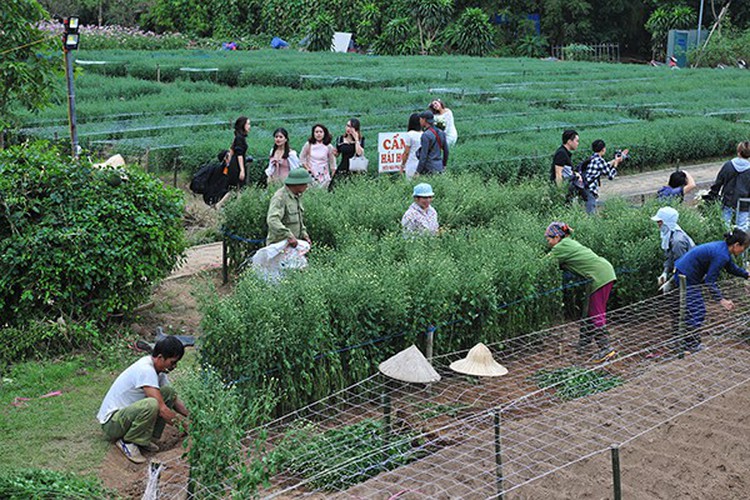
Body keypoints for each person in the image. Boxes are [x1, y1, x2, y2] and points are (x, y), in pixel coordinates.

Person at [96, 337, 189, 464]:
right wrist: (186, 426)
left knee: (168, 393)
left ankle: (145, 439)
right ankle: (127, 442)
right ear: (161, 357)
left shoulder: (159, 371)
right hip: (112, 422)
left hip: (126, 415)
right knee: (152, 404)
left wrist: (193, 417)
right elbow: (162, 410)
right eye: (172, 362)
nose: (174, 366)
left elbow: (174, 399)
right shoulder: (146, 369)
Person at [545, 222, 617, 363]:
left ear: (557, 237)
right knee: (591, 310)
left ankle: (606, 349)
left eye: (549, 239)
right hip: (604, 272)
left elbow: (543, 264)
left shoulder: (561, 247)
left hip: (599, 276)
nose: (548, 243)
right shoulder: (569, 242)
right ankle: (584, 344)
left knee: (596, 312)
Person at [672, 229, 750, 353]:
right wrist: (721, 300)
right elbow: (710, 281)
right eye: (744, 248)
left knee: (688, 309)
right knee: (697, 310)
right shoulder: (721, 255)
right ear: (736, 245)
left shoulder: (723, 249)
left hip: (685, 272)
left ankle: (680, 341)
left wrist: (747, 275)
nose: (743, 252)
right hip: (687, 276)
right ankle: (690, 345)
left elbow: (731, 268)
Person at [705, 141, 750, 230]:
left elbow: (718, 182)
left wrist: (712, 195)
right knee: (742, 229)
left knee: (724, 227)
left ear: (738, 151)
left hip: (727, 199)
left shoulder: (728, 165)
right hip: (744, 202)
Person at [650, 206, 695, 293]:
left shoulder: (677, 241)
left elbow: (683, 267)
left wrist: (670, 283)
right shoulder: (670, 235)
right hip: (688, 272)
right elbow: (670, 256)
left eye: (660, 222)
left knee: (690, 301)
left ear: (666, 222)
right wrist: (665, 272)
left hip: (693, 274)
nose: (658, 224)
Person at [266, 168, 312, 246]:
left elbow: (299, 220)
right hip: (279, 245)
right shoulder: (280, 197)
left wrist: (304, 234)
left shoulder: (296, 196)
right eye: (305, 184)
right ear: (297, 184)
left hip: (293, 244)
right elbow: (273, 220)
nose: (307, 186)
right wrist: (288, 235)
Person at [580, 139, 627, 214]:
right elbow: (610, 176)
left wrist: (615, 160)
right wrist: (616, 165)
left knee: (586, 210)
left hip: (584, 188)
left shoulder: (592, 158)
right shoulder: (600, 160)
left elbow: (604, 166)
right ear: (603, 149)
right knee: (591, 213)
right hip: (590, 189)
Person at [330, 118, 365, 189]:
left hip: (355, 168)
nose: (349, 129)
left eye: (352, 127)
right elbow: (338, 154)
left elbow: (359, 153)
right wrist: (335, 153)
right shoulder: (340, 139)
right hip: (343, 167)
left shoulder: (360, 140)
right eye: (348, 126)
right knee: (334, 188)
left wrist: (356, 139)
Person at [299, 124, 336, 188]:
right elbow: (302, 157)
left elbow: (332, 162)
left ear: (324, 133)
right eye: (316, 132)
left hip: (324, 174)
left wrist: (333, 174)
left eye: (321, 132)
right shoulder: (309, 144)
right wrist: (307, 168)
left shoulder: (328, 146)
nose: (318, 134)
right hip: (312, 173)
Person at [416, 111, 449, 176]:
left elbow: (423, 156)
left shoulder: (426, 135)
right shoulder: (441, 132)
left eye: (420, 119)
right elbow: (446, 151)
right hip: (439, 167)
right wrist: (444, 164)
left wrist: (418, 171)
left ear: (424, 120)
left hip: (429, 168)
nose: (419, 121)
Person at [400, 113, 422, 179]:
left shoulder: (410, 134)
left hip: (412, 163)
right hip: (422, 163)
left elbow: (406, 153)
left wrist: (402, 165)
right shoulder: (424, 134)